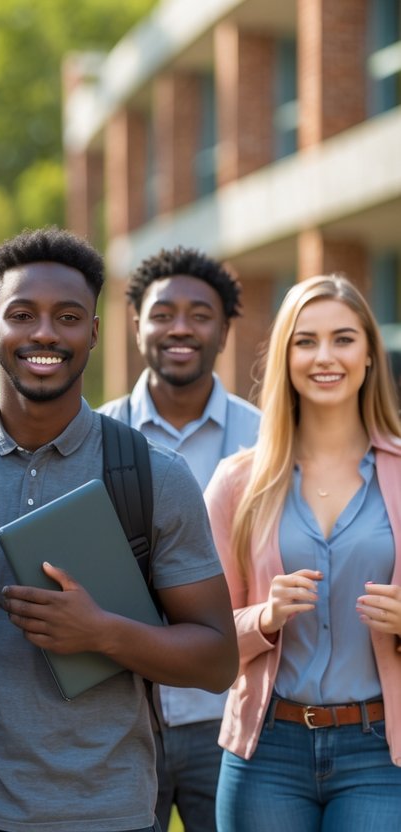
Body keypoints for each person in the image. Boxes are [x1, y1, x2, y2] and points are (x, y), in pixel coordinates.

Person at [0, 227, 237, 832]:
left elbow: (217, 660)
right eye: (21, 315)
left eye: (67, 317)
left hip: (110, 812)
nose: (43, 334)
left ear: (92, 332)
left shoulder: (152, 477)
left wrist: (104, 632)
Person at [205, 275, 401, 831]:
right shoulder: (236, 482)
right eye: (305, 340)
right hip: (267, 752)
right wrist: (264, 618)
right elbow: (205, 632)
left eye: (343, 339)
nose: (325, 356)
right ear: (285, 356)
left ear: (368, 355)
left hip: (381, 753)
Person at [98, 246, 260, 832]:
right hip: (125, 718)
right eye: (163, 313)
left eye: (200, 313)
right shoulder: (97, 437)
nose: (181, 328)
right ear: (136, 323)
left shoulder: (266, 440)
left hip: (237, 719)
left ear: (223, 329)